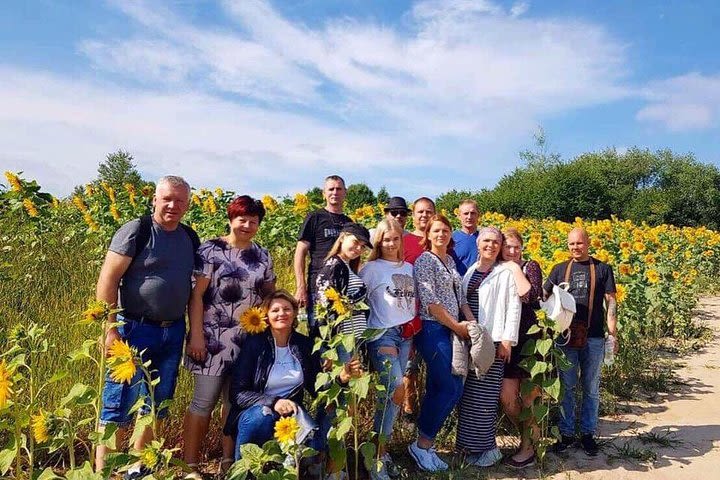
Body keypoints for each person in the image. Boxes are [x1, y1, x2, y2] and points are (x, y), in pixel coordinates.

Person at [95, 176, 199, 477]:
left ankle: (135, 469)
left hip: (173, 330)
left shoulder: (189, 238)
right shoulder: (137, 231)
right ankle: (105, 471)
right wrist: (109, 328)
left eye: (180, 201)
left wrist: (194, 331)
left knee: (156, 403)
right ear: (154, 199)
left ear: (187, 205)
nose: (173, 205)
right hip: (133, 328)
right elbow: (108, 279)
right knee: (118, 402)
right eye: (167, 198)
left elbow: (193, 290)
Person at [182, 196, 276, 478]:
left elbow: (269, 292)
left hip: (248, 340)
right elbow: (196, 295)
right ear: (230, 219)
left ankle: (229, 462)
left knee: (234, 403)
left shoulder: (263, 255)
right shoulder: (211, 250)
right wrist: (196, 335)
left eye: (253, 221)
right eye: (241, 219)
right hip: (212, 339)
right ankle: (190, 465)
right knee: (203, 401)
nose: (246, 225)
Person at [223, 290, 362, 460]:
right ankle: (246, 470)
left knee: (332, 406)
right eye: (275, 310)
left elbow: (317, 388)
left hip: (291, 416)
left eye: (287, 309)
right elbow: (237, 394)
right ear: (266, 315)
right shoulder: (255, 345)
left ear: (295, 313)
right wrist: (274, 402)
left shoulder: (304, 345)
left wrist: (342, 378)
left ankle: (319, 456)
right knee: (262, 416)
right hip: (256, 413)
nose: (281, 314)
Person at [408, 215, 476, 472]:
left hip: (452, 330)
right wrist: (457, 326)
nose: (441, 234)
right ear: (427, 234)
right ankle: (422, 445)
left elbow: (461, 301)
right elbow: (430, 303)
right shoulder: (425, 261)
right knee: (449, 386)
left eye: (445, 230)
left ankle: (425, 442)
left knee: (445, 387)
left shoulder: (449, 261)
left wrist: (472, 324)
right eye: (436, 230)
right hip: (433, 329)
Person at [544, 228, 618, 457]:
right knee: (566, 387)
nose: (576, 247)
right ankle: (566, 434)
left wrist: (612, 334)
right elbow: (543, 297)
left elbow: (611, 303)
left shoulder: (603, 269)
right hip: (565, 337)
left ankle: (588, 434)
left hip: (594, 337)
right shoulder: (558, 270)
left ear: (588, 243)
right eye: (571, 244)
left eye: (579, 243)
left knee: (591, 387)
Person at [456, 227, 526, 467]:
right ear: (478, 243)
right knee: (471, 396)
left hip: (495, 341)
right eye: (486, 240)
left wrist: (507, 340)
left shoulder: (504, 272)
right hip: (474, 341)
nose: (491, 245)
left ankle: (488, 449)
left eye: (496, 242)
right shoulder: (471, 271)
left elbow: (513, 307)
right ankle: (468, 447)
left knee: (486, 398)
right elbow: (463, 301)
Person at [314, 223, 371, 479]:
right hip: (338, 345)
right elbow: (325, 310)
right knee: (335, 405)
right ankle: (328, 466)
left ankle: (331, 464)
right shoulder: (333, 265)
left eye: (362, 246)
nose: (357, 248)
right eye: (355, 242)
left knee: (341, 405)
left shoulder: (345, 266)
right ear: (343, 237)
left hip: (349, 342)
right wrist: (329, 349)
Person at [360, 219, 415, 480]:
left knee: (392, 397)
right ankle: (376, 459)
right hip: (382, 335)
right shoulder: (370, 269)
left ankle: (381, 450)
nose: (391, 243)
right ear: (378, 241)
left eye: (395, 238)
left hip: (405, 336)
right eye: (386, 239)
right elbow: (359, 302)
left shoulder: (410, 267)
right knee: (394, 388)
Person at [498, 228, 544, 468]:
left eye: (516, 246)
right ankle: (532, 439)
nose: (512, 251)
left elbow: (532, 296)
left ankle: (528, 449)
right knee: (507, 398)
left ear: (522, 248)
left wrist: (515, 268)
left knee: (528, 398)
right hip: (506, 341)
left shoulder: (529, 266)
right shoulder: (496, 270)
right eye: (508, 247)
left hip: (529, 341)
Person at [293, 175, 351, 333]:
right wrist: (301, 287)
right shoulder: (315, 217)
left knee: (342, 337)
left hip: (343, 289)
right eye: (331, 189)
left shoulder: (349, 222)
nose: (335, 192)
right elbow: (300, 252)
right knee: (320, 337)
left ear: (345, 192)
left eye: (339, 189)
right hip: (318, 287)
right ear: (323, 193)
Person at [401, 197, 435, 418]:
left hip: (434, 312)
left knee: (434, 364)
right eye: (420, 212)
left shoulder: (439, 238)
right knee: (409, 366)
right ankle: (408, 411)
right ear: (413, 215)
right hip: (408, 311)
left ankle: (431, 412)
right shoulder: (403, 240)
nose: (424, 215)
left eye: (429, 212)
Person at [450, 199, 480, 276]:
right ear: (459, 216)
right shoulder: (451, 239)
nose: (469, 217)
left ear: (478, 215)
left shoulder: (485, 239)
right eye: (466, 213)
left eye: (473, 213)